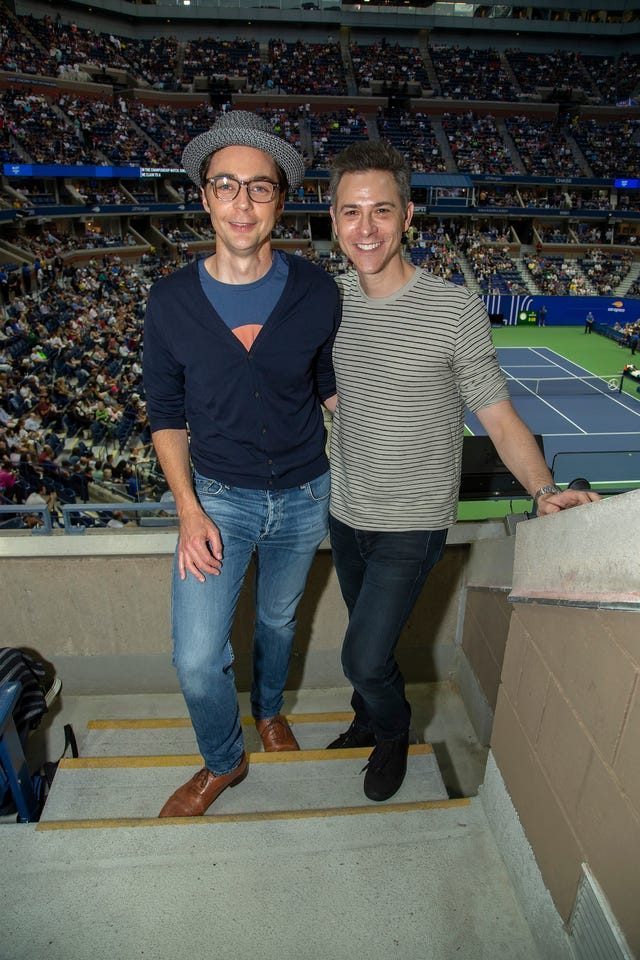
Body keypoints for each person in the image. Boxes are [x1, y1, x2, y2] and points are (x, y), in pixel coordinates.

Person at [326, 140, 600, 803]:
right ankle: (368, 715)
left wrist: (542, 489)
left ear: (409, 216)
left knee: (361, 655)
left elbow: (499, 417)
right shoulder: (324, 302)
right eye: (351, 212)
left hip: (412, 521)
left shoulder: (453, 310)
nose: (366, 229)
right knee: (372, 641)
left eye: (382, 211)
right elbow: (308, 379)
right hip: (345, 511)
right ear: (332, 219)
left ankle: (393, 731)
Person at [143, 111, 339, 818]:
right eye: (227, 185)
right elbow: (165, 413)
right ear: (204, 196)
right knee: (199, 660)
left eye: (261, 188)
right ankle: (224, 760)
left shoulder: (319, 292)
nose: (243, 203)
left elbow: (331, 391)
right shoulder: (168, 302)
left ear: (280, 201)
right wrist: (188, 509)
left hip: (304, 494)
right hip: (218, 500)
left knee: (280, 624)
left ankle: (270, 710)